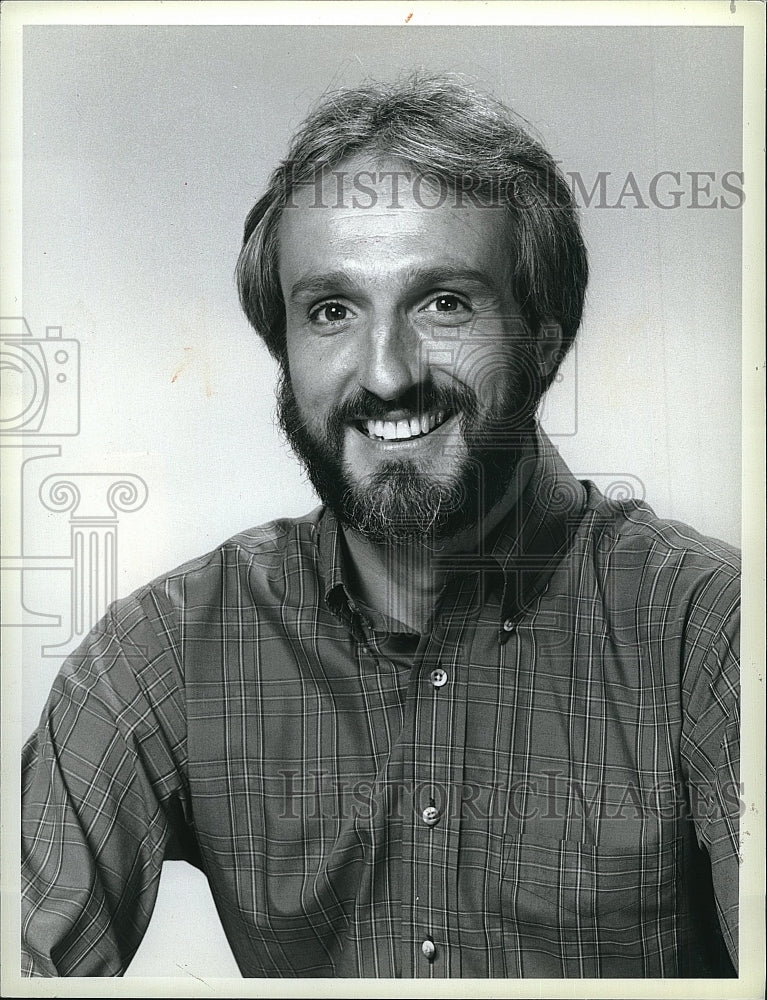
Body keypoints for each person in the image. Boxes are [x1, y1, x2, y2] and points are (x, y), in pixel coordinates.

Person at [21, 75, 740, 979]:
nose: (388, 375)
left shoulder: (709, 635)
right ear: (283, 355)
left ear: (546, 338)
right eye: (331, 311)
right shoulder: (162, 657)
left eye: (445, 302)